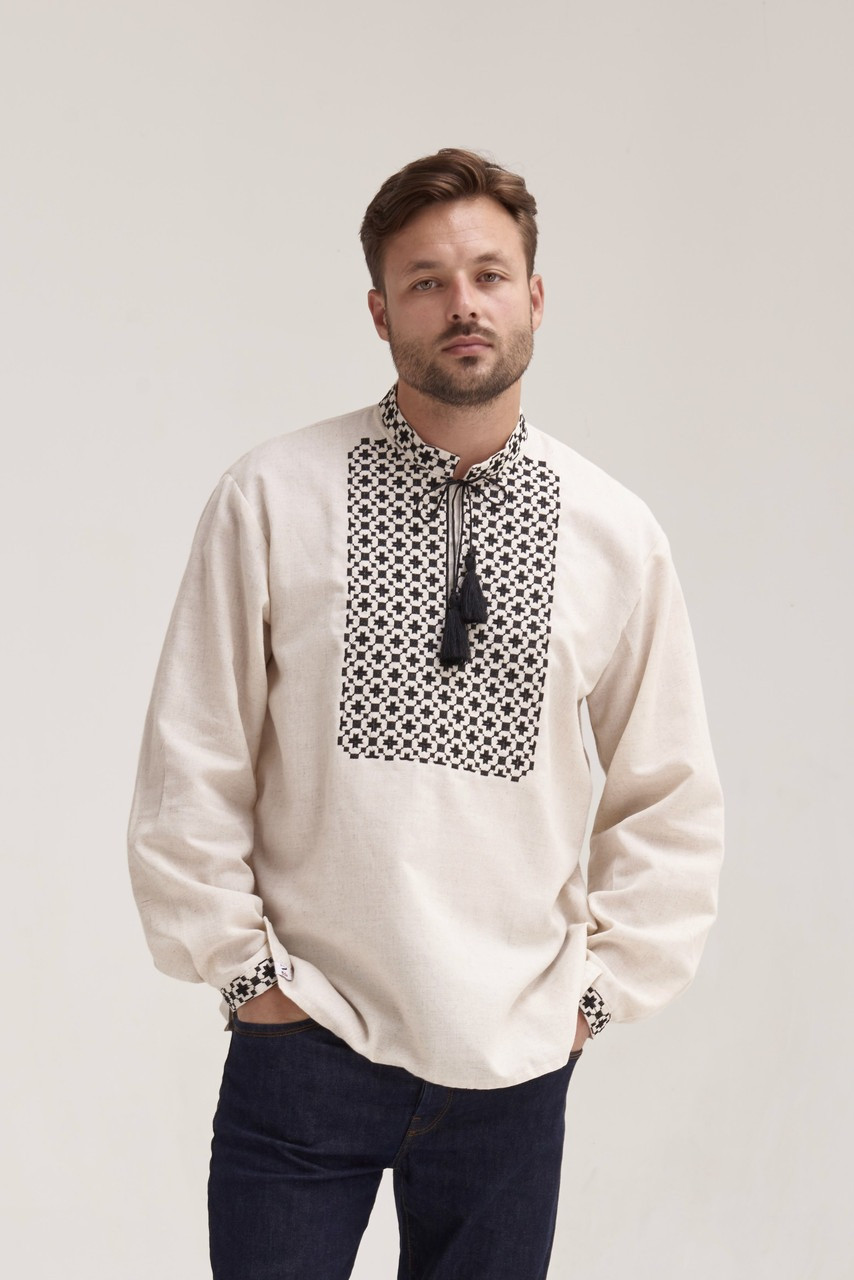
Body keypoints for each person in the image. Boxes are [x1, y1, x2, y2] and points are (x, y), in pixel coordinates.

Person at [127, 147, 724, 1280]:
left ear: (534, 296)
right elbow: (192, 758)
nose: (463, 305)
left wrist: (590, 1000)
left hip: (514, 1057)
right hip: (307, 1037)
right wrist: (248, 979)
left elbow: (670, 792)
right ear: (379, 310)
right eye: (426, 281)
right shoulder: (274, 496)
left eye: (489, 276)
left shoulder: (613, 532)